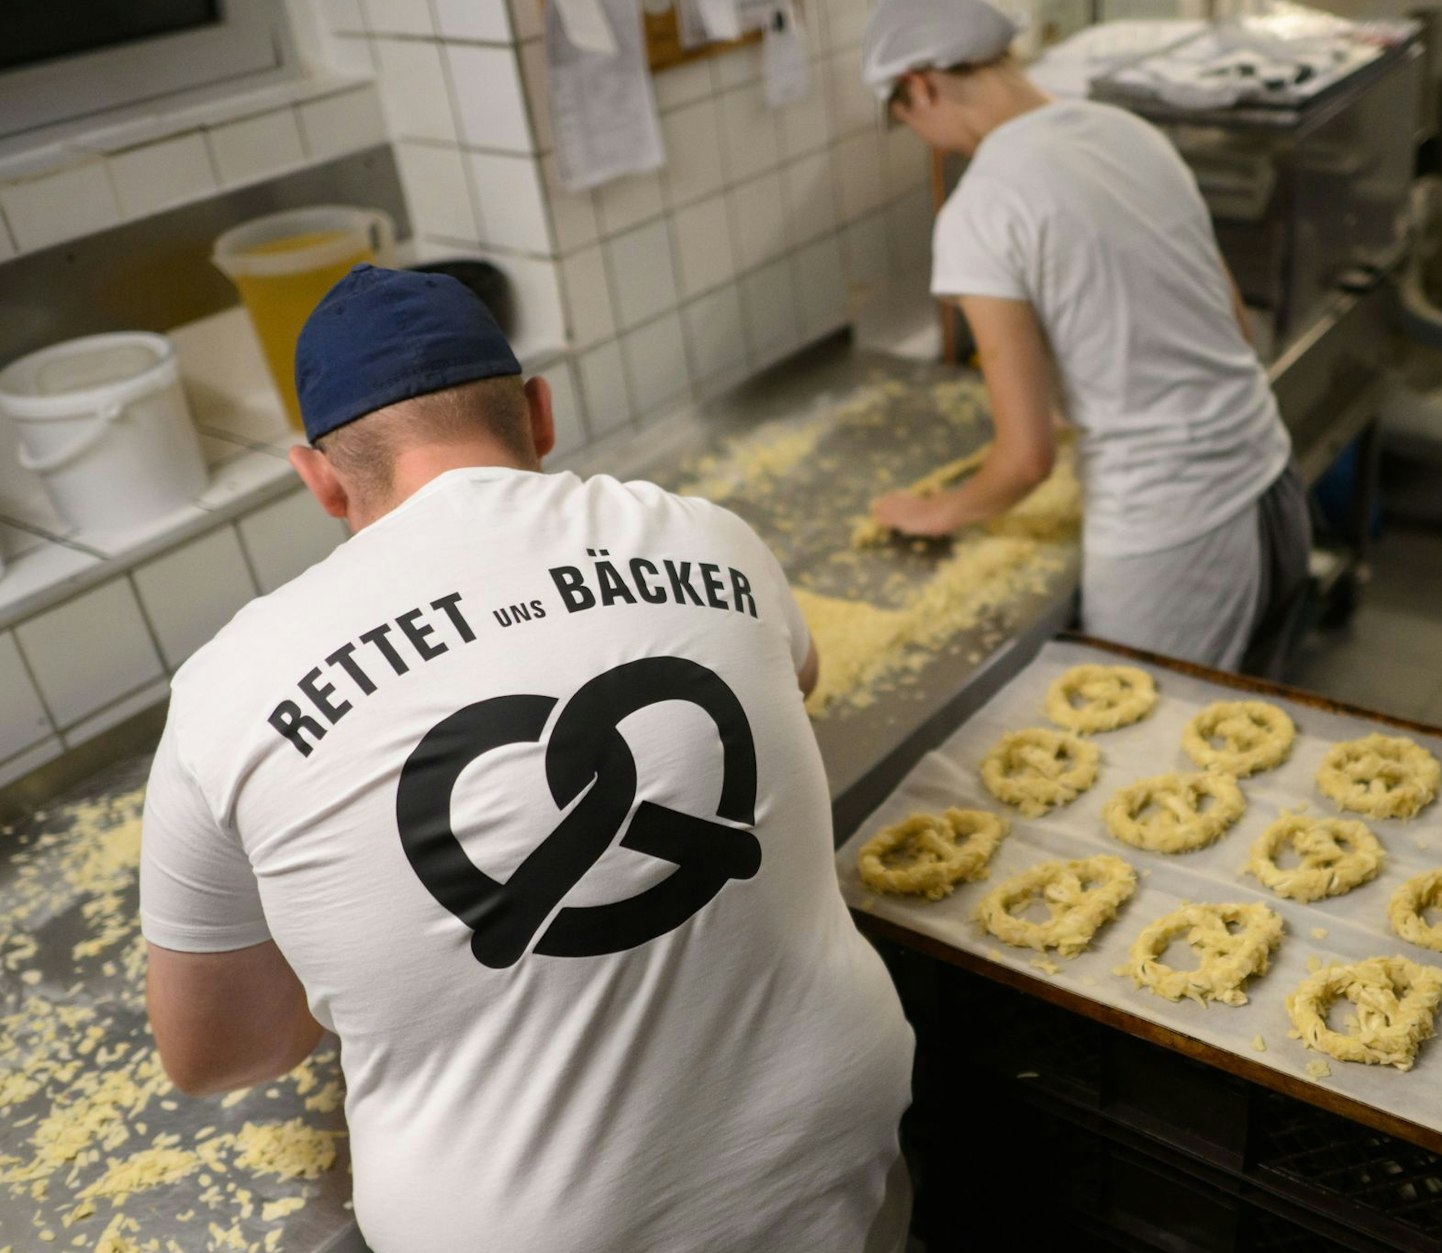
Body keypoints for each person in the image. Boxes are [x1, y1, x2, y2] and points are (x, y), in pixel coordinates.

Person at [138, 266, 915, 1253]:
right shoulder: (708, 535)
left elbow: (217, 1054)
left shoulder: (228, 690)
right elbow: (794, 685)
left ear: (319, 476)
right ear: (539, 412)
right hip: (839, 1155)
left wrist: (386, 937)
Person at [862, 0, 1312, 673]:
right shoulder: (1130, 132)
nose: (930, 141)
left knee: (1159, 761)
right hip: (1273, 488)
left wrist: (939, 512)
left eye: (911, 121)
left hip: (1172, 539)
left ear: (920, 84)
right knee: (1250, 732)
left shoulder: (981, 207)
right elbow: (1234, 325)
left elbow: (1026, 459)